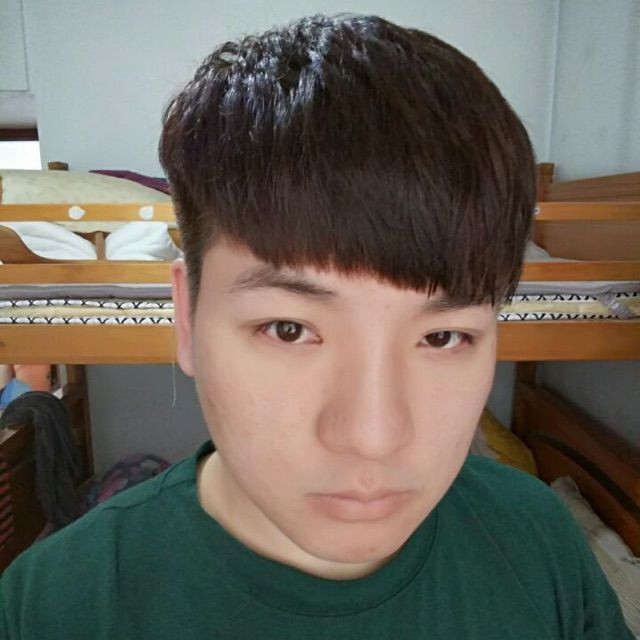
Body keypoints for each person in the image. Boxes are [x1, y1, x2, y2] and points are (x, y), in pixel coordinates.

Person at [0, 14, 633, 639]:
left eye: (442, 337)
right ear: (188, 317)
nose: (373, 437)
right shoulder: (51, 605)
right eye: (288, 329)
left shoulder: (539, 541)